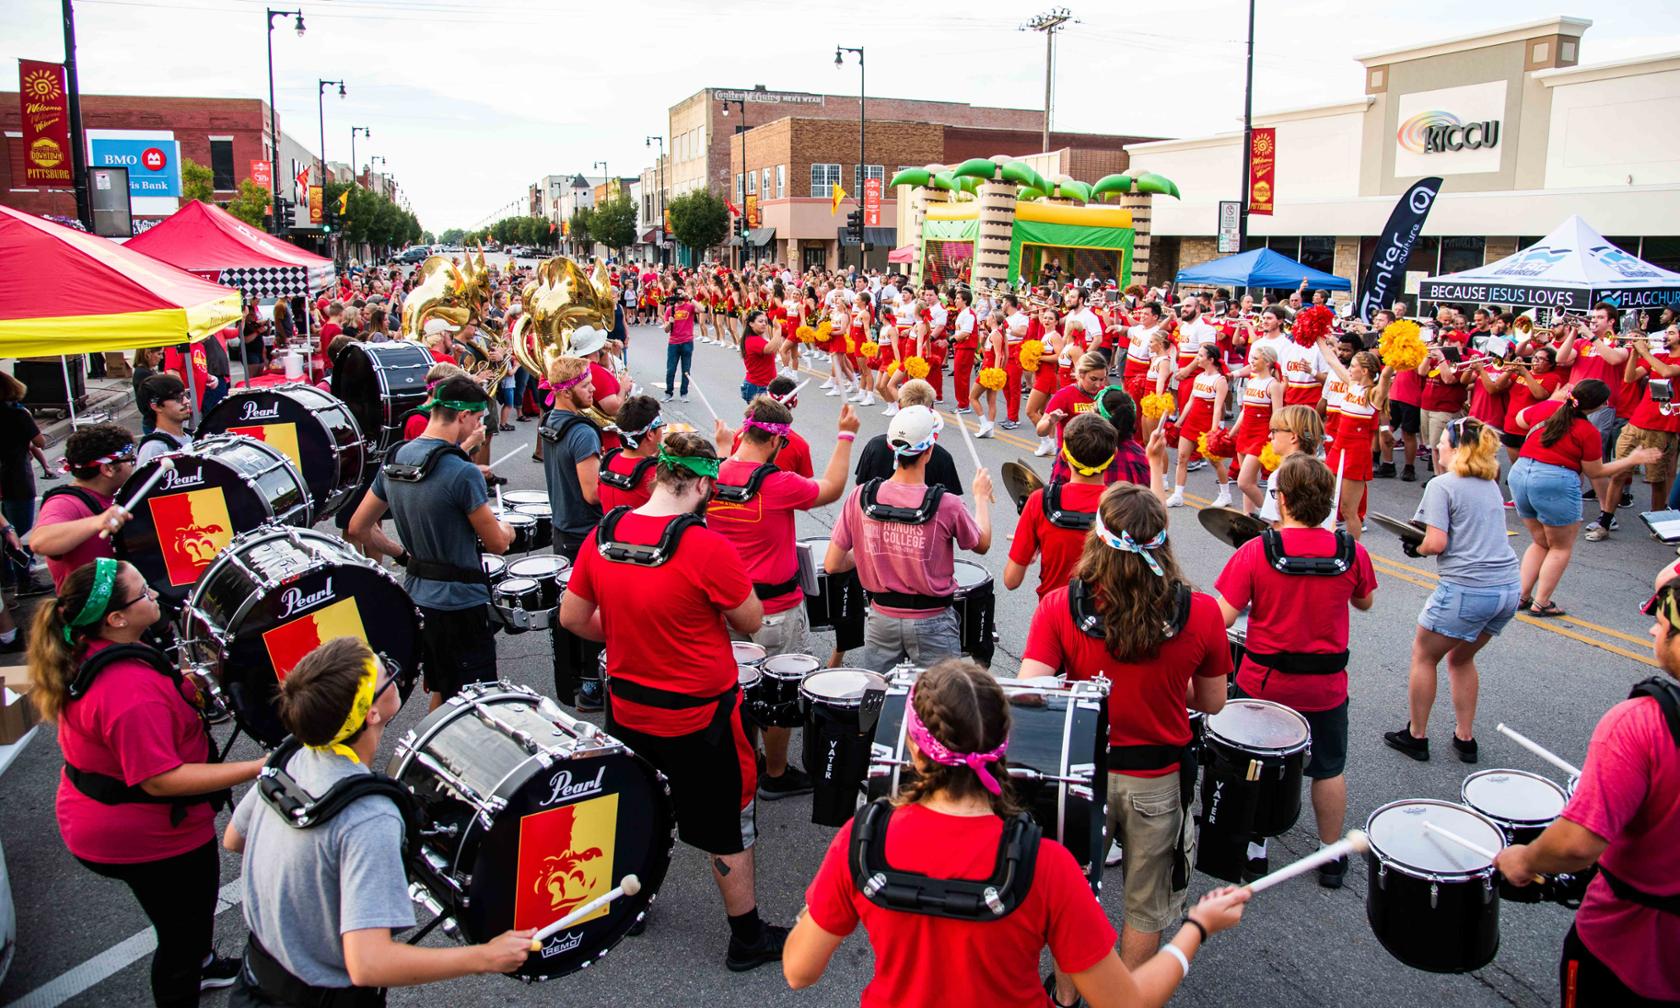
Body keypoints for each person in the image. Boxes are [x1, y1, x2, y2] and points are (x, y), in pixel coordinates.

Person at [783, 657, 1251, 1008]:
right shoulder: (1047, 865)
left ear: (915, 752)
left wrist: (812, 913)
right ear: (1007, 745)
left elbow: (798, 971)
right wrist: (1196, 927)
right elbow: (1124, 1002)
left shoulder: (860, 840)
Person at [560, 432, 790, 972]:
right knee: (726, 823)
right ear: (704, 483)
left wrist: (626, 631)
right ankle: (746, 937)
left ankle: (630, 907)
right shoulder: (706, 546)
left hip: (628, 708)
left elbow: (572, 618)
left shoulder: (605, 533)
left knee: (637, 806)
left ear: (661, 474)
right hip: (700, 715)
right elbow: (752, 621)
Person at [225, 637, 531, 1006]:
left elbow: (235, 838)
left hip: (257, 975)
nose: (390, 670)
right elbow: (369, 964)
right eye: (382, 672)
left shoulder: (294, 754)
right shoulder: (369, 816)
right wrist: (485, 957)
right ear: (370, 713)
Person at [1019, 485, 1232, 989]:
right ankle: (1126, 997)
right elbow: (1214, 703)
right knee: (1146, 903)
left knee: (1074, 896)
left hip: (1081, 776)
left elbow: (1031, 692)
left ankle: (1066, 995)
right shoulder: (1200, 612)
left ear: (1097, 537)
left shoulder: (1058, 606)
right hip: (1157, 780)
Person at [33, 558, 263, 1005]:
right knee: (181, 934)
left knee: (186, 922)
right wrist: (263, 765)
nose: (155, 595)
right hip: (146, 835)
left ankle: (202, 962)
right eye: (143, 593)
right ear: (116, 618)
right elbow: (162, 780)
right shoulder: (127, 693)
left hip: (110, 816)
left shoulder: (92, 647)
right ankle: (186, 976)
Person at [1493, 574, 1680, 1007]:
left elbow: (1578, 845)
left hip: (1628, 952)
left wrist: (1524, 858)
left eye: (1662, 622)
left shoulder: (1641, 724)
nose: (1653, 628)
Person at [1216, 455, 1377, 887]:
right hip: (1325, 687)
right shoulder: (1351, 552)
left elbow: (1224, 618)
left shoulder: (1257, 551)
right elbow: (1365, 602)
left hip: (1263, 683)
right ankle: (1329, 854)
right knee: (1327, 767)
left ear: (1281, 500)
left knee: (1258, 766)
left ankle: (1256, 847)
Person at [709, 396, 858, 797]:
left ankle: (746, 760)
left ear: (744, 431)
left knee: (737, 689)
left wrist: (723, 450)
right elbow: (831, 488)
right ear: (777, 442)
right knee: (779, 694)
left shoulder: (710, 475)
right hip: (774, 610)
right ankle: (775, 774)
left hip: (724, 610)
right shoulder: (776, 483)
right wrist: (846, 435)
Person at [346, 376, 511, 711]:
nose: (478, 427)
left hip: (418, 597)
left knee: (443, 687)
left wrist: (405, 556)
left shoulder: (397, 455)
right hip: (461, 605)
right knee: (470, 704)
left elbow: (358, 526)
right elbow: (497, 544)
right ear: (463, 417)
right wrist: (506, 528)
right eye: (478, 420)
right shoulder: (461, 472)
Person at [1383, 418, 1520, 764]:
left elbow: (1437, 541)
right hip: (1506, 588)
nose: (1438, 447)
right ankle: (1465, 737)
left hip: (1467, 589)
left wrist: (1419, 547)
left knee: (1424, 656)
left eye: (1443, 442)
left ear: (1457, 449)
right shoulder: (1489, 482)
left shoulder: (1442, 485)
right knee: (1462, 658)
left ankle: (1416, 735)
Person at [826, 407, 992, 672]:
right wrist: (981, 498)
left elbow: (833, 564)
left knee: (879, 701)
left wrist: (875, 553)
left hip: (881, 619)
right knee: (939, 704)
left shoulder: (859, 496)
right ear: (929, 451)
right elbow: (981, 544)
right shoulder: (947, 504)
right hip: (934, 621)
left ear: (892, 448)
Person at [1508, 379, 1658, 618]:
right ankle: (1542, 602)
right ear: (1600, 406)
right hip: (1553, 480)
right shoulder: (1587, 430)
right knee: (1559, 546)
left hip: (1520, 473)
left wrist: (1552, 400)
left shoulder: (1549, 408)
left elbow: (1519, 419)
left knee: (1539, 542)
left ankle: (1521, 596)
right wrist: (1632, 460)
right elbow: (1596, 472)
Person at [1005, 414, 1116, 598]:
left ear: (1064, 455)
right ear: (1114, 456)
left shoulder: (1039, 501)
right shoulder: (1123, 505)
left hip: (1053, 616)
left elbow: (1011, 580)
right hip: (1110, 619)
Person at [32, 423, 136, 589]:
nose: (134, 465)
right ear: (108, 468)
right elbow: (40, 542)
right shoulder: (65, 502)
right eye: (131, 459)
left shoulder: (116, 495)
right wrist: (97, 522)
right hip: (93, 611)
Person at [1598, 328, 1680, 535]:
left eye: (1671, 333)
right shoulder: (1657, 356)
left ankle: (1659, 526)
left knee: (1656, 480)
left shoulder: (1663, 359)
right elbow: (1629, 377)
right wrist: (1635, 352)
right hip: (1636, 422)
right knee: (1618, 472)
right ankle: (1605, 522)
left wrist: (1644, 352)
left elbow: (1668, 372)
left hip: (1663, 427)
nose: (1665, 336)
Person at [1319, 346, 1393, 537]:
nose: (1349, 369)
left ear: (1365, 371)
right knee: (1323, 496)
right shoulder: (1352, 385)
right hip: (1338, 448)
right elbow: (1332, 361)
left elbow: (1385, 376)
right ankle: (1325, 539)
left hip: (1356, 453)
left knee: (1348, 509)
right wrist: (1318, 337)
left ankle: (1354, 552)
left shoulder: (1374, 394)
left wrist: (1397, 354)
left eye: (1353, 366)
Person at [853, 380, 963, 493]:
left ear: (900, 404)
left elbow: (859, 490)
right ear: (931, 407)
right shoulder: (942, 457)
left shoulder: (875, 445)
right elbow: (951, 504)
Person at [1167, 345, 1231, 508]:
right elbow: (1191, 402)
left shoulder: (1220, 380)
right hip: (1191, 422)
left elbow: (1218, 408)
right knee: (1182, 458)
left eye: (1201, 356)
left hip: (1207, 424)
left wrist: (1214, 431)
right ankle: (1178, 494)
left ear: (1211, 360)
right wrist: (1179, 422)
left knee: (1215, 462)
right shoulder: (1199, 377)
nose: (1197, 359)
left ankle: (1225, 495)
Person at [1038, 354, 1110, 485]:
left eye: (1102, 379)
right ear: (1081, 374)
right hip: (1069, 460)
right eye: (1093, 379)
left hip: (1098, 461)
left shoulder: (1105, 395)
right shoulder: (1065, 395)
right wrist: (1050, 422)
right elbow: (1040, 430)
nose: (1098, 384)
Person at [1233, 348, 1285, 514]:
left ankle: (1269, 514)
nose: (1251, 362)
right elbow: (1244, 410)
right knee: (1249, 482)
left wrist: (1274, 434)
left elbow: (1278, 413)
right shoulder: (1252, 381)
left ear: (1267, 362)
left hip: (1261, 436)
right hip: (1245, 433)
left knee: (1244, 482)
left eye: (1255, 359)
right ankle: (1247, 516)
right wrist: (1233, 431)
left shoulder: (1273, 385)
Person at [598, 394, 665, 511]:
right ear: (650, 434)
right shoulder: (653, 475)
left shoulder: (608, 462)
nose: (663, 431)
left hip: (610, 527)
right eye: (661, 426)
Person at [136, 375, 195, 464]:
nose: (186, 401)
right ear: (156, 406)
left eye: (186, 395)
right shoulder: (154, 448)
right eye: (178, 398)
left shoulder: (191, 437)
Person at [739, 309, 789, 403]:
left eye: (765, 322)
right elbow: (770, 349)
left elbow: (774, 347)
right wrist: (778, 330)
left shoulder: (758, 338)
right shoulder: (752, 340)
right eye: (760, 321)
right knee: (761, 417)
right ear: (751, 324)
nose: (764, 324)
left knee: (764, 417)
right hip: (758, 387)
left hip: (764, 386)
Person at [664, 286, 698, 402]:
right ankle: (669, 392)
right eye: (678, 294)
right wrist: (669, 323)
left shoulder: (689, 306)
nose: (680, 296)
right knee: (671, 369)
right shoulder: (670, 309)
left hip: (687, 342)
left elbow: (702, 309)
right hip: (674, 342)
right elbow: (666, 329)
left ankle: (684, 393)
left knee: (686, 370)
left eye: (681, 294)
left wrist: (690, 297)